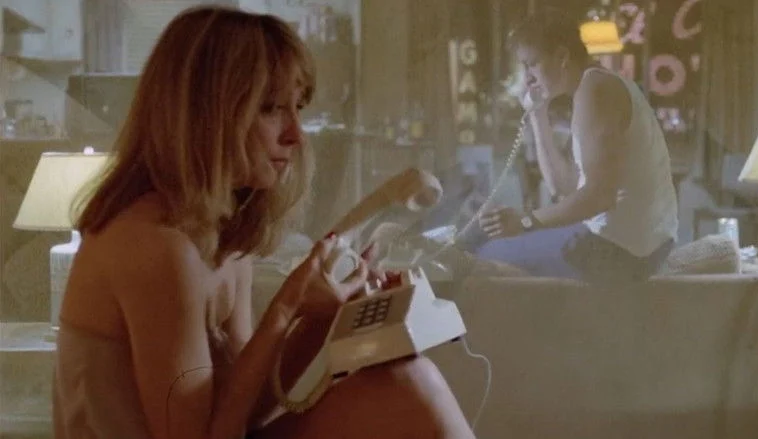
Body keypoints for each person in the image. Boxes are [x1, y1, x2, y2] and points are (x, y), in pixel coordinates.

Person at [54, 6, 474, 439]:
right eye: (270, 108)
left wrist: (322, 316)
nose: (296, 134)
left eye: (297, 107)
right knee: (410, 390)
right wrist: (286, 307)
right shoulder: (156, 246)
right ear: (207, 114)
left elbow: (246, 409)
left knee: (408, 382)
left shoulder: (223, 237)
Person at [475, 9, 678, 283]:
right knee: (494, 247)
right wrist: (537, 113)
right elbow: (563, 187)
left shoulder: (596, 89)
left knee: (485, 255)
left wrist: (525, 222)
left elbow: (599, 197)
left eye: (531, 64)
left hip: (620, 251)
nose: (528, 78)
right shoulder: (591, 88)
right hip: (637, 246)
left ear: (562, 57)